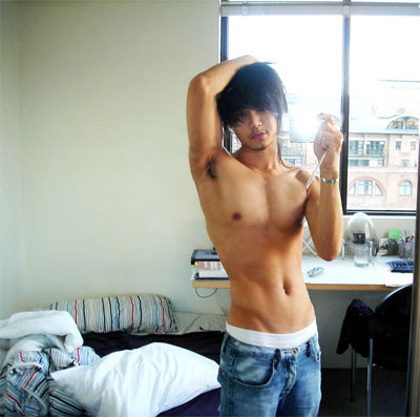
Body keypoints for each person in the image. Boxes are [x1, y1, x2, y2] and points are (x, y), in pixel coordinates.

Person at [186, 55, 343, 417]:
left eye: (262, 108)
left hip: (307, 348)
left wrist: (331, 169)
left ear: (278, 108)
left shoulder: (302, 180)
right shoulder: (215, 169)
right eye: (242, 115)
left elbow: (330, 249)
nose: (255, 122)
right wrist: (254, 63)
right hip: (250, 351)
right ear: (230, 124)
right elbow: (202, 86)